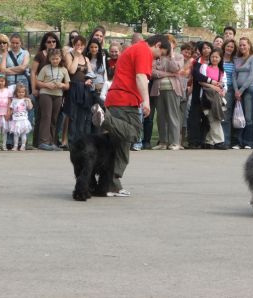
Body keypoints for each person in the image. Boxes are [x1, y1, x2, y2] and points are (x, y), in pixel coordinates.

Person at [91, 35, 170, 197]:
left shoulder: (133, 49)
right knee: (133, 132)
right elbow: (141, 77)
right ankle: (105, 120)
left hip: (115, 98)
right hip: (126, 100)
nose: (158, 58)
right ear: (157, 44)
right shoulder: (143, 51)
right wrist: (146, 102)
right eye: (160, 53)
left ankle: (110, 184)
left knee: (120, 143)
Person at [150, 34, 185, 151]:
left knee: (173, 115)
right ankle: (163, 142)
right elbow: (152, 72)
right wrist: (169, 74)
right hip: (158, 90)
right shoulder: (156, 57)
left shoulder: (179, 57)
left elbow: (176, 68)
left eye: (170, 42)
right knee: (160, 117)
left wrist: (171, 56)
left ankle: (175, 142)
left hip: (173, 89)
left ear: (174, 44)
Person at [31, 32, 62, 147]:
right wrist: (34, 87)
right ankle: (38, 141)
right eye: (49, 41)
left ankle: (51, 141)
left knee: (52, 117)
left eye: (54, 41)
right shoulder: (40, 55)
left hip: (57, 92)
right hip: (42, 89)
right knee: (42, 116)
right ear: (45, 43)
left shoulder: (59, 55)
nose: (51, 43)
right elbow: (33, 72)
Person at [36, 49, 70, 151]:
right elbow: (38, 82)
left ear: (60, 59)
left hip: (58, 95)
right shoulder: (45, 68)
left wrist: (62, 85)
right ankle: (43, 141)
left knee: (54, 118)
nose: (55, 61)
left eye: (57, 58)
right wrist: (47, 85)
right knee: (46, 116)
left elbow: (68, 85)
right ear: (49, 59)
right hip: (46, 94)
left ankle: (52, 141)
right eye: (53, 59)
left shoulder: (64, 69)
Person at [64, 35, 95, 144]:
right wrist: (76, 56)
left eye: (81, 45)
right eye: (77, 45)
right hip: (73, 87)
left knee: (83, 115)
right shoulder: (69, 55)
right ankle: (72, 140)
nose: (79, 47)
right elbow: (71, 71)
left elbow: (90, 74)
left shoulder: (86, 58)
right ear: (74, 45)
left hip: (84, 88)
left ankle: (80, 140)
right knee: (73, 114)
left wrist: (89, 80)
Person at [232, 37, 253, 149]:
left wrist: (241, 90)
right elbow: (233, 75)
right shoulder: (237, 59)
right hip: (238, 90)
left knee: (248, 116)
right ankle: (238, 142)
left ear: (249, 45)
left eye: (244, 45)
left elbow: (252, 75)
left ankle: (249, 142)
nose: (242, 47)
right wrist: (236, 90)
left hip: (249, 89)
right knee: (239, 116)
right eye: (241, 45)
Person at [199, 48, 227, 149]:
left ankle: (209, 141)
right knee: (213, 118)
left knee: (214, 118)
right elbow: (201, 81)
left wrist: (222, 89)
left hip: (217, 97)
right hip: (207, 96)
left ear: (220, 59)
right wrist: (213, 86)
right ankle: (219, 141)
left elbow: (224, 84)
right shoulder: (204, 67)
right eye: (212, 56)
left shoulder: (221, 71)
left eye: (217, 57)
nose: (214, 59)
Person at [221, 39, 237, 147]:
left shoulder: (235, 61)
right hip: (218, 88)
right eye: (228, 46)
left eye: (232, 47)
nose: (229, 48)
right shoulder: (218, 58)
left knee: (226, 115)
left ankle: (226, 141)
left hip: (230, 89)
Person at [8, 83, 33, 151]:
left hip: (23, 120)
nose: (21, 93)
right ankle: (15, 146)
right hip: (16, 120)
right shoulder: (14, 100)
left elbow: (30, 108)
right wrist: (10, 115)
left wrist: (29, 101)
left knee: (23, 134)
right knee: (16, 134)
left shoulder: (26, 100)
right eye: (19, 92)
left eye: (23, 92)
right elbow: (11, 109)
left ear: (25, 92)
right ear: (16, 92)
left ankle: (23, 145)